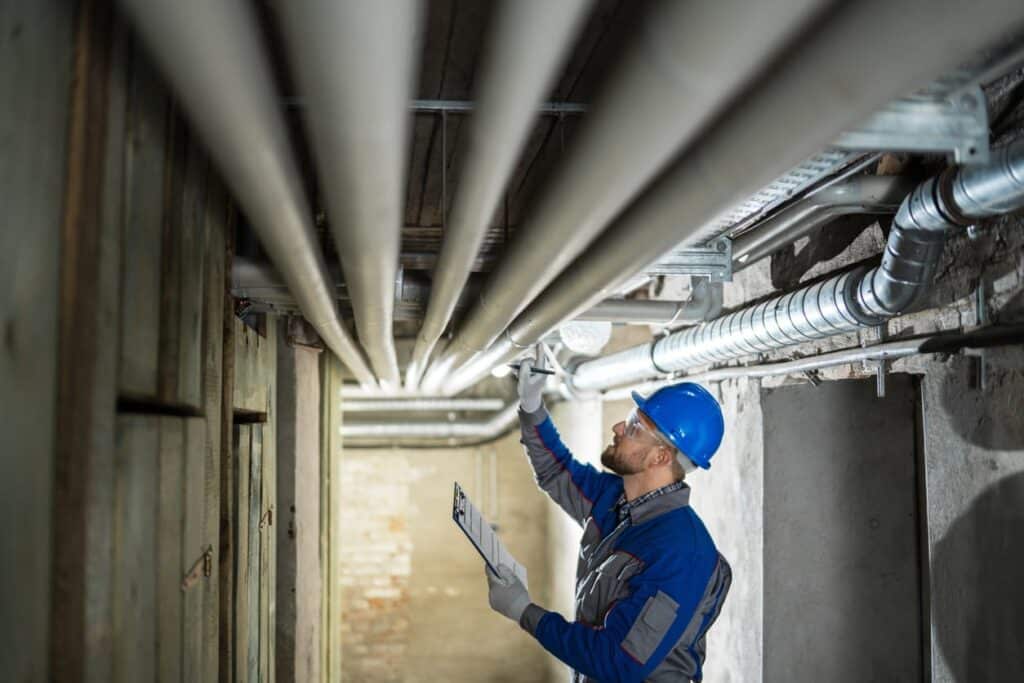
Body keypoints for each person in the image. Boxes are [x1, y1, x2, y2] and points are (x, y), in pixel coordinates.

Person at [484, 349, 731, 682]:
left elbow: (618, 661)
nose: (618, 427)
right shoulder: (614, 499)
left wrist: (524, 612)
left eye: (633, 427)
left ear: (659, 457)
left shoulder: (680, 552)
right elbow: (556, 471)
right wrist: (531, 406)